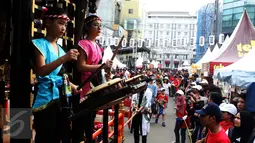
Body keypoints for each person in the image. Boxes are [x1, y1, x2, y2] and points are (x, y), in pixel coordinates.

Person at [31, 7, 80, 143]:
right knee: (46, 138)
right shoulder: (39, 44)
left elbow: (60, 76)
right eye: (60, 23)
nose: (63, 28)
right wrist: (64, 58)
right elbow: (41, 71)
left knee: (62, 137)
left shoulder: (61, 49)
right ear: (48, 23)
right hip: (45, 100)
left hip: (61, 99)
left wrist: (73, 86)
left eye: (65, 24)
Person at [72, 14, 113, 143]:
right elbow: (81, 66)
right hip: (83, 89)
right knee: (80, 126)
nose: (99, 28)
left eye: (100, 26)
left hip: (93, 88)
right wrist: (101, 66)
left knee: (89, 124)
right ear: (87, 27)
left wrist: (106, 70)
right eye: (96, 25)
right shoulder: (83, 44)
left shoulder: (98, 47)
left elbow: (98, 69)